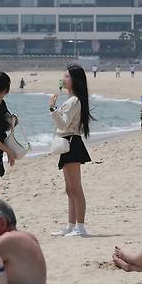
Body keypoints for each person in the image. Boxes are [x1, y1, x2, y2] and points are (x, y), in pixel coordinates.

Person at [49, 64, 94, 237]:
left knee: (76, 187)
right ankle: (71, 225)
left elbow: (63, 124)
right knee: (69, 189)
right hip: (67, 143)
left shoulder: (74, 101)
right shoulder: (71, 100)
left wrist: (52, 108)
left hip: (71, 143)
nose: (64, 79)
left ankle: (80, 227)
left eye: (67, 76)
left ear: (75, 80)